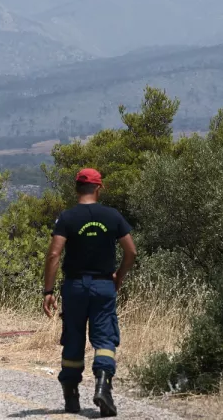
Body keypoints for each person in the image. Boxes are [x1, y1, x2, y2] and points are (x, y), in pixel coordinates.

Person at [42, 168, 137, 417]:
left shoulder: (67, 217)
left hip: (74, 287)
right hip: (104, 286)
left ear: (76, 188)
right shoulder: (112, 216)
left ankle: (71, 395)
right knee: (105, 338)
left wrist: (48, 290)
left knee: (73, 338)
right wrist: (119, 276)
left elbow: (54, 254)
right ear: (99, 188)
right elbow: (131, 252)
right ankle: (103, 386)